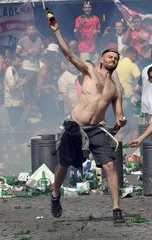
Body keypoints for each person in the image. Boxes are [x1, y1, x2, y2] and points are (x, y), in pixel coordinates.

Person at [48, 16, 127, 223]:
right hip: (76, 126)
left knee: (110, 165)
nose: (113, 60)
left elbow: (119, 114)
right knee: (64, 164)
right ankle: (55, 194)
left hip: (97, 129)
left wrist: (120, 122)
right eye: (110, 57)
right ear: (102, 59)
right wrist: (57, 31)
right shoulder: (90, 71)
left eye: (116, 58)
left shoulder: (115, 89)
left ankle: (116, 209)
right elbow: (69, 55)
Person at [16, 23, 43, 111]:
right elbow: (17, 54)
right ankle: (27, 111)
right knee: (27, 90)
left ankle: (35, 110)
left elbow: (43, 53)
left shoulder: (39, 40)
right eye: (29, 29)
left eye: (33, 29)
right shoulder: (22, 40)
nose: (31, 31)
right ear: (26, 31)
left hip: (36, 67)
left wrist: (38, 52)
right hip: (26, 67)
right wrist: (27, 53)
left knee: (35, 90)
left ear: (35, 30)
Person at [4, 54, 27, 129]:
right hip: (12, 104)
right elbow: (12, 88)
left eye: (21, 61)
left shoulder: (15, 70)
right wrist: (22, 83)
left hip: (17, 103)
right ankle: (15, 140)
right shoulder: (10, 71)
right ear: (13, 61)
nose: (21, 63)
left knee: (19, 124)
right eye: (18, 61)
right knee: (15, 125)